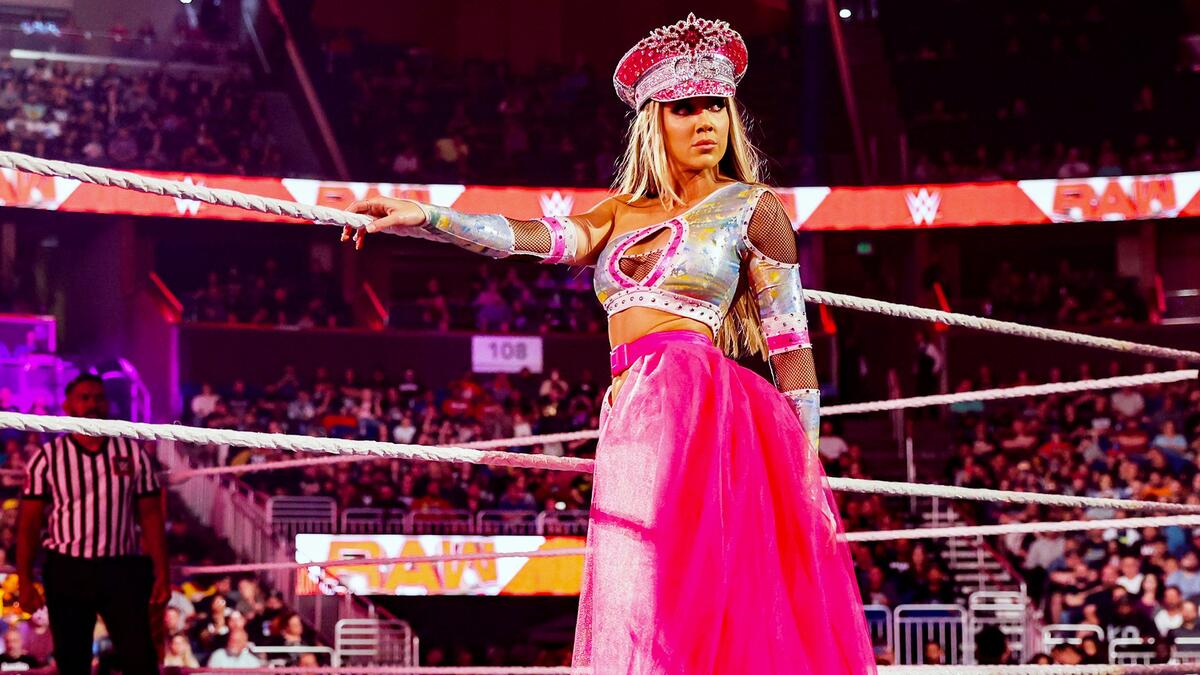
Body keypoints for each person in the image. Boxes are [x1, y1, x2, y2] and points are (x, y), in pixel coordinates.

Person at [340, 13, 874, 673]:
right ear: (655, 121)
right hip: (634, 407)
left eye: (716, 105)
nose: (705, 121)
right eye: (685, 108)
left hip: (704, 404)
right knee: (641, 580)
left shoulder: (753, 208)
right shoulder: (619, 211)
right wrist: (427, 218)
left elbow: (792, 349)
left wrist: (804, 477)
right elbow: (531, 238)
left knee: (698, 584)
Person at [16, 373, 168, 674]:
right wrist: (24, 580)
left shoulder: (132, 453)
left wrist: (163, 572)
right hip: (67, 568)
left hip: (121, 568)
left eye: (98, 397)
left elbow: (151, 515)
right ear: (68, 405)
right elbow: (29, 523)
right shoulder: (48, 457)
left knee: (140, 658)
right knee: (73, 662)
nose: (92, 404)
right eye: (84, 398)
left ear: (107, 403)